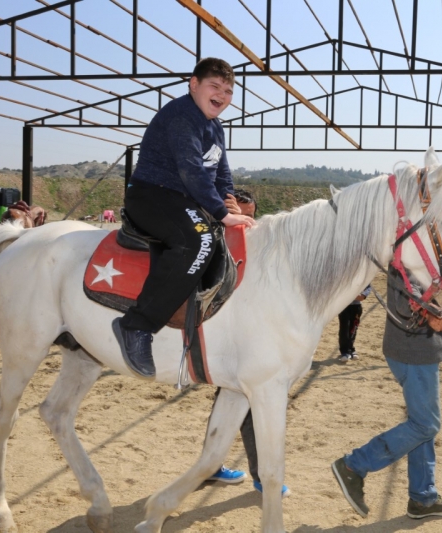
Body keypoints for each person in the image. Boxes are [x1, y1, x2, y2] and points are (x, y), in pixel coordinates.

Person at [111, 58, 255, 380]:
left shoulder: (215, 127)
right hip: (153, 194)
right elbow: (191, 170)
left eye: (228, 91)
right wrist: (220, 213)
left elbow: (220, 173)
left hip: (182, 199)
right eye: (214, 86)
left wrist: (229, 202)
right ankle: (136, 324)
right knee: (200, 240)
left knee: (217, 234)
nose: (221, 95)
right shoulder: (181, 115)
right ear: (194, 84)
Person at [331, 268, 442, 520]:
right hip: (414, 352)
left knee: (423, 424)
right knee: (426, 424)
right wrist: (440, 302)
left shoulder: (428, 254)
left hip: (419, 350)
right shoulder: (409, 254)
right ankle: (354, 465)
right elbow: (406, 302)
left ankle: (423, 497)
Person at [205, 190, 291, 498]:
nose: (249, 221)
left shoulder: (258, 239)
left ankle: (211, 466)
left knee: (231, 400)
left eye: (252, 215)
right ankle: (259, 477)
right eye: (244, 215)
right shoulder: (215, 236)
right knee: (249, 404)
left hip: (247, 334)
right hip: (228, 333)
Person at [337, 285, 371, 363]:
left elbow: (368, 286)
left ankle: (351, 349)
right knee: (344, 328)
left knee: (353, 329)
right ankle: (344, 351)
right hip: (343, 306)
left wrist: (363, 295)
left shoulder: (361, 274)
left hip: (356, 306)